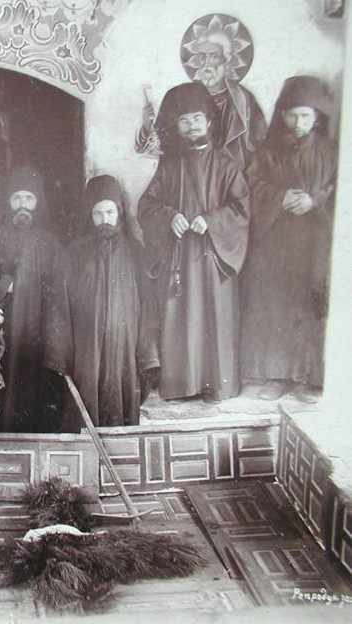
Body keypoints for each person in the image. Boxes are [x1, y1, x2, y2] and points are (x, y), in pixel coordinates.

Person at [138, 82, 250, 404]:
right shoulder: (169, 165)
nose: (191, 127)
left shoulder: (227, 165)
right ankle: (182, 385)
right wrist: (169, 216)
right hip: (178, 259)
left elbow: (242, 208)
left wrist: (212, 220)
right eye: (184, 121)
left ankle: (216, 385)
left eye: (197, 119)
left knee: (215, 318)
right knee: (180, 318)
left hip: (213, 258)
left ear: (209, 122)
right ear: (177, 126)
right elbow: (146, 206)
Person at [240, 76, 337, 403]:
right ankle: (277, 375)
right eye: (293, 115)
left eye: (306, 116)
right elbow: (250, 186)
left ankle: (311, 379)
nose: (299, 123)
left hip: (315, 240)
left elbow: (337, 187)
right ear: (282, 116)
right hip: (276, 241)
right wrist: (280, 197)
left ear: (317, 117)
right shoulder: (269, 152)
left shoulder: (331, 151)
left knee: (311, 303)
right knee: (275, 305)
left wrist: (316, 200)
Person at [45, 176, 157, 428]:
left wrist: (148, 354)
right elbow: (59, 309)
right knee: (84, 411)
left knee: (123, 406)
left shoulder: (135, 253)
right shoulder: (72, 254)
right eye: (97, 213)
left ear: (119, 213)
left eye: (109, 212)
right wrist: (59, 355)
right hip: (86, 352)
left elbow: (148, 307)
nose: (104, 219)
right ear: (89, 215)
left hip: (124, 351)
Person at [0, 166, 63, 432]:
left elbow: (61, 293)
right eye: (17, 198)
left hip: (38, 334)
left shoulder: (52, 244)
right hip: (1, 332)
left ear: (38, 203)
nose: (23, 205)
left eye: (29, 199)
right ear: (8, 202)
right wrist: (5, 285)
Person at [182, 18, 266, 170]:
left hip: (236, 177)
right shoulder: (186, 98)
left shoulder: (244, 100)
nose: (206, 64)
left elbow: (260, 148)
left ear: (227, 60)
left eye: (213, 56)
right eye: (202, 57)